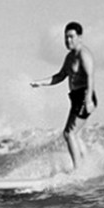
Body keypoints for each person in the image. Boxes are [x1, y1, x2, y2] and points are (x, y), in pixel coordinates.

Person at [31, 21, 97, 169]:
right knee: (75, 134)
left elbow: (90, 77)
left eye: (71, 37)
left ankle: (78, 169)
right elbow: (60, 76)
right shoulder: (69, 57)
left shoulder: (84, 55)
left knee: (69, 134)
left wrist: (88, 100)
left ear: (80, 37)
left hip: (85, 95)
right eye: (66, 37)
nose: (68, 40)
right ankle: (88, 163)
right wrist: (41, 83)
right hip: (75, 98)